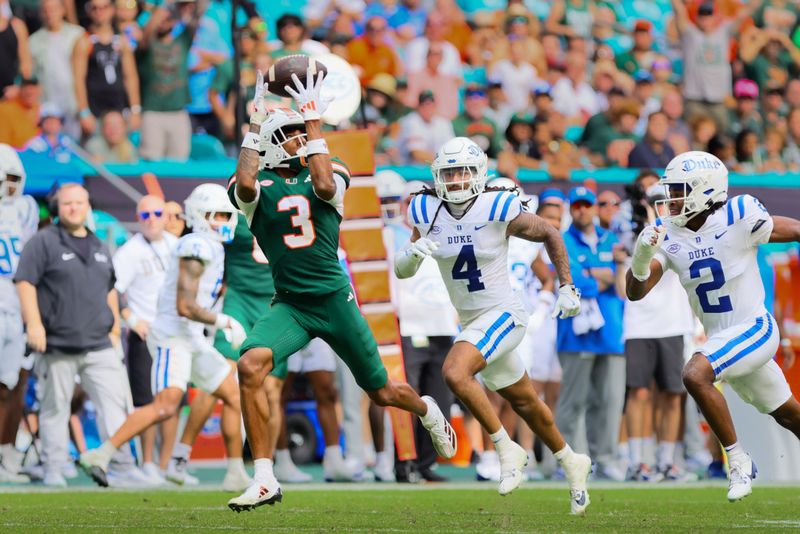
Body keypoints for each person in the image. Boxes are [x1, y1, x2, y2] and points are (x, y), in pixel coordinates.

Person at [226, 70, 457, 511]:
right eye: (290, 132)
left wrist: (311, 121)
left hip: (334, 300)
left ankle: (426, 410)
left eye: (300, 132)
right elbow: (246, 186)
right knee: (251, 363)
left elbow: (326, 184)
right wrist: (256, 123)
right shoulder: (257, 187)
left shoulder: (329, 172)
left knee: (383, 392)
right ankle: (263, 477)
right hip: (291, 304)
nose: (298, 138)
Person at [396, 136, 591, 515]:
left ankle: (507, 449)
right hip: (473, 320)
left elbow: (550, 232)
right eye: (448, 172)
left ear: (478, 173)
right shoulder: (426, 209)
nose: (454, 180)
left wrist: (567, 285)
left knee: (454, 371)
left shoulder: (496, 203)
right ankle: (571, 461)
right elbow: (404, 270)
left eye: (461, 172)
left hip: (505, 313)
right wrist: (410, 256)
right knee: (526, 401)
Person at [626, 150, 800, 501]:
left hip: (755, 329)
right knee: (790, 415)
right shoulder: (668, 235)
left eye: (678, 190)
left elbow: (794, 229)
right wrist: (641, 257)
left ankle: (737, 460)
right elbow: (636, 292)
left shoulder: (738, 214)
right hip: (724, 340)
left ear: (704, 192)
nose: (670, 199)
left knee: (694, 373)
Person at [78, 184, 250, 491]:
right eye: (218, 215)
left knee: (235, 395)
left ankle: (233, 471)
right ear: (200, 216)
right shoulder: (196, 245)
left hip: (192, 337)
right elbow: (184, 306)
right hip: (173, 337)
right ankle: (100, 455)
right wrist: (224, 321)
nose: (225, 221)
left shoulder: (206, 244)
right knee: (166, 405)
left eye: (227, 215)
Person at [14, 183, 143, 487]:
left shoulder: (99, 245)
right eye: (68, 203)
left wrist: (113, 328)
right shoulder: (42, 242)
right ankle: (54, 468)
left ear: (88, 207)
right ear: (58, 207)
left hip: (99, 343)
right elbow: (25, 283)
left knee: (115, 406)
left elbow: (109, 288)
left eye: (80, 203)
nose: (74, 208)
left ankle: (122, 466)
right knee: (55, 407)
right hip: (57, 343)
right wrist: (34, 325)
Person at [378, 171, 459, 483]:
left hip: (441, 323)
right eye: (412, 201)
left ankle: (426, 462)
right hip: (408, 324)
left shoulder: (446, 233)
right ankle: (404, 463)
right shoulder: (391, 234)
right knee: (407, 397)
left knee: (439, 395)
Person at [555, 186, 628, 482]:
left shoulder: (610, 239)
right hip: (575, 333)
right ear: (571, 209)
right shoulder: (561, 240)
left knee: (609, 401)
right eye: (577, 206)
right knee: (573, 401)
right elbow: (570, 280)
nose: (583, 210)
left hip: (610, 331)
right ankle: (570, 460)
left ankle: (605, 458)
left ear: (595, 209)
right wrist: (602, 274)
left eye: (587, 205)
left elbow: (619, 279)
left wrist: (596, 272)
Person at [622, 185, 695, 482]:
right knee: (638, 392)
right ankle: (637, 461)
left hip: (673, 322)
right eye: (655, 202)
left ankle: (667, 461)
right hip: (639, 323)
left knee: (673, 394)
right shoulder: (629, 234)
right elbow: (623, 286)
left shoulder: (685, 232)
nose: (662, 207)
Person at [111, 195, 177, 484]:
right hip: (146, 333)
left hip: (175, 333)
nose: (151, 218)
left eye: (157, 213)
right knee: (147, 402)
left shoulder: (177, 246)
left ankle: (167, 465)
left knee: (173, 400)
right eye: (145, 214)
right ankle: (148, 462)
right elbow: (112, 289)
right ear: (138, 218)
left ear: (166, 216)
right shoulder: (129, 251)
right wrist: (130, 319)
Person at [0, 145, 38, 483]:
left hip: (16, 301)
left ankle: (8, 457)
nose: (8, 185)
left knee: (14, 383)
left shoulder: (26, 208)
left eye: (12, 178)